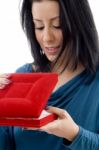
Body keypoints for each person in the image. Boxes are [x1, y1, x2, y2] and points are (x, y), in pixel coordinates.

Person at [0, 0, 99, 149]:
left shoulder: (95, 82)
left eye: (58, 25)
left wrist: (74, 134)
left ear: (79, 22)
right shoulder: (22, 77)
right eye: (39, 26)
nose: (47, 38)